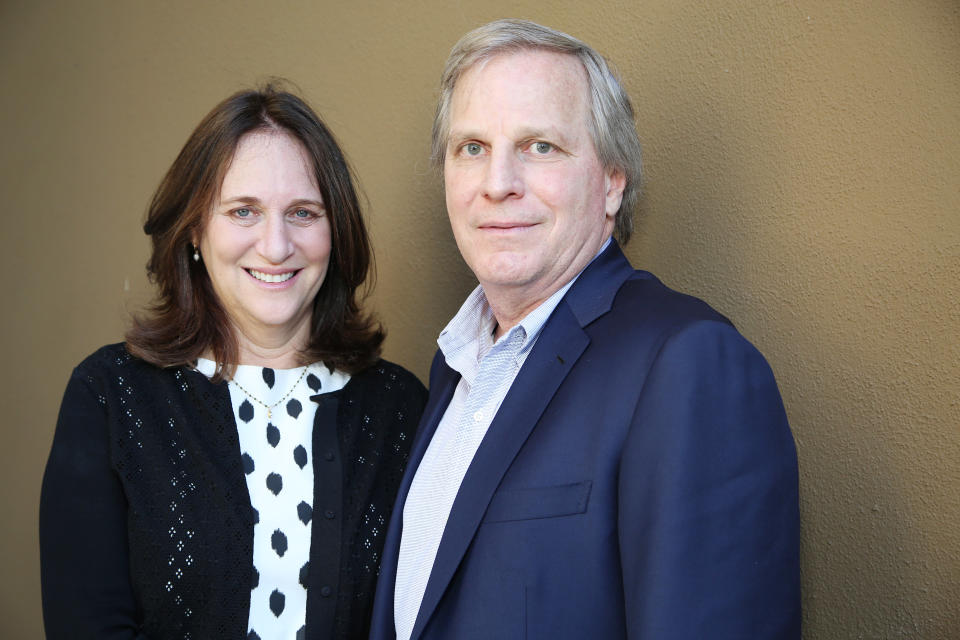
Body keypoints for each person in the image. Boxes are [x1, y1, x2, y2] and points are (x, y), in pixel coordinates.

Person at [370, 19, 800, 640]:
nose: (498, 184)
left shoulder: (687, 364)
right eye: (472, 148)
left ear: (612, 182)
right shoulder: (454, 370)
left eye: (540, 147)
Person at [40, 85, 426, 639]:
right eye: (243, 211)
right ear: (195, 230)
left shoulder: (398, 406)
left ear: (335, 232)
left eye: (302, 213)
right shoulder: (110, 396)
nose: (275, 245)